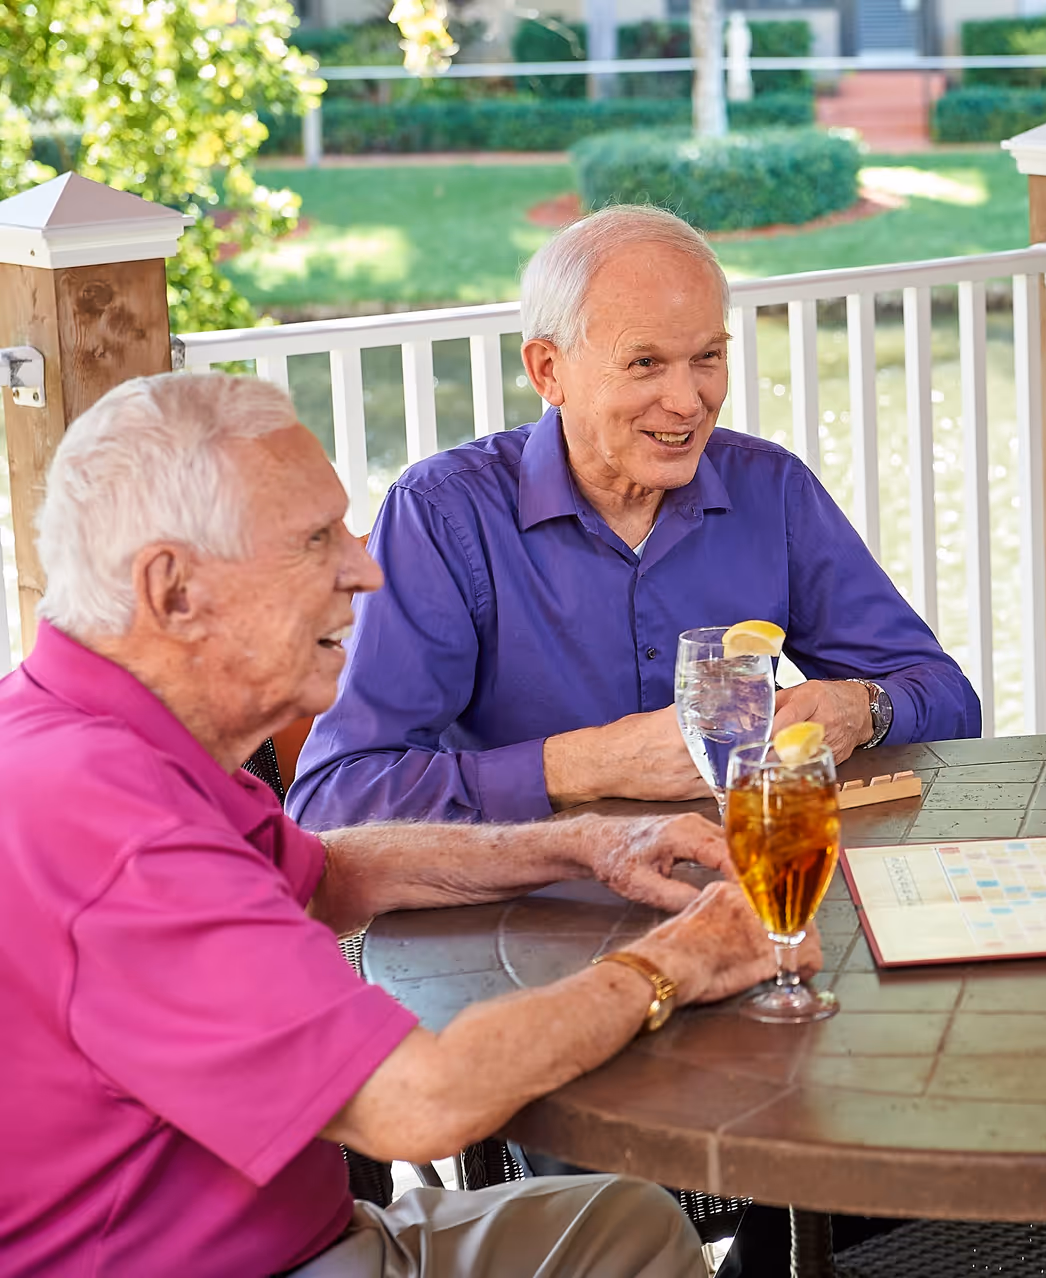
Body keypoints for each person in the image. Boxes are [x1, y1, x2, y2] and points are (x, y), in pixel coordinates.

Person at [0, 373, 810, 1276]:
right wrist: (678, 961)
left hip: (302, 1230)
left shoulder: (85, 730)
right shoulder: (113, 827)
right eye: (314, 541)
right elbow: (416, 1107)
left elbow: (329, 874)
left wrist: (578, 842)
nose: (365, 569)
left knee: (625, 1223)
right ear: (175, 590)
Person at [288, 204, 979, 830]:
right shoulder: (442, 514)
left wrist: (861, 710)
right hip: (524, 919)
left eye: (707, 357)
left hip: (745, 893)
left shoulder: (772, 490)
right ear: (548, 370)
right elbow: (335, 799)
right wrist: (587, 764)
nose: (687, 400)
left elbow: (949, 699)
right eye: (645, 363)